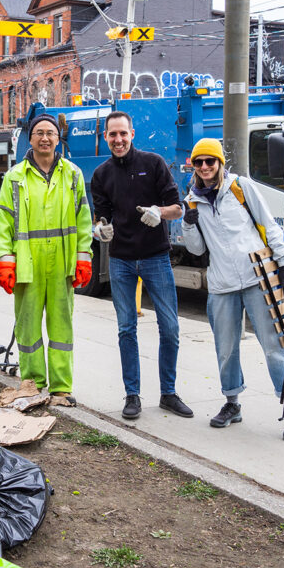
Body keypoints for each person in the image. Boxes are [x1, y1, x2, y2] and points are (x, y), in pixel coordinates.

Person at [181, 138, 284, 442]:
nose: (204, 168)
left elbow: (270, 226)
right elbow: (197, 248)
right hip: (222, 285)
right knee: (226, 350)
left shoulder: (241, 188)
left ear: (219, 164)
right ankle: (232, 403)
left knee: (275, 347)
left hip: (257, 279)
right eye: (198, 163)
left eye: (209, 162)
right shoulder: (192, 199)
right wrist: (188, 224)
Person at [90, 111, 192, 421]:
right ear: (105, 137)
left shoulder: (153, 164)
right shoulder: (101, 174)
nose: (118, 140)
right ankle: (132, 394)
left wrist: (160, 212)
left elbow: (179, 207)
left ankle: (168, 393)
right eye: (112, 135)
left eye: (123, 134)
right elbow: (101, 216)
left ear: (132, 134)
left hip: (155, 257)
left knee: (170, 328)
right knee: (126, 329)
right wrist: (99, 229)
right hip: (120, 259)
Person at [0, 114, 92, 404]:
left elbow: (83, 220)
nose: (45, 138)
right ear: (31, 138)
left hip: (61, 264)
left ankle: (61, 387)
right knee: (28, 326)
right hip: (27, 264)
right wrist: (5, 260)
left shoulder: (73, 175)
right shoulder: (15, 177)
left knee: (62, 326)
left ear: (58, 139)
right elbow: (2, 224)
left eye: (50, 132)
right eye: (39, 133)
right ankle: (32, 382)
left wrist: (83, 258)